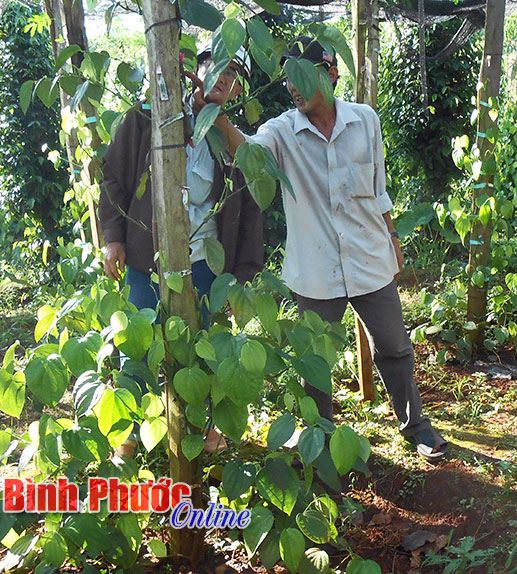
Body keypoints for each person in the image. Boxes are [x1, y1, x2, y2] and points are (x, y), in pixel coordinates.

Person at [206, 36, 448, 461]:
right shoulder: (282, 131)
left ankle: (415, 427)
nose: (292, 88)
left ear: (331, 72)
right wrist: (217, 114)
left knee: (394, 347)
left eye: (301, 77)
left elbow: (378, 188)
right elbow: (249, 156)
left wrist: (392, 238)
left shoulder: (365, 121)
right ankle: (321, 441)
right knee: (315, 365)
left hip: (369, 257)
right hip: (316, 270)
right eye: (288, 81)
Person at [100, 47, 265, 454]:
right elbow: (113, 174)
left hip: (204, 262)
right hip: (147, 256)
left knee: (206, 344)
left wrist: (240, 277)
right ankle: (128, 433)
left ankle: (206, 427)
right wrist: (113, 237)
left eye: (234, 76)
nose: (225, 80)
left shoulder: (227, 138)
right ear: (198, 71)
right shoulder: (147, 117)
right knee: (137, 342)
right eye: (218, 69)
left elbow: (248, 207)